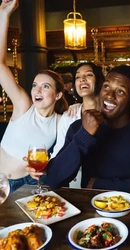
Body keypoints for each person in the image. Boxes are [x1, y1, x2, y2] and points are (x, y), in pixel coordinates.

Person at [45, 65, 130, 195]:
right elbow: (54, 180)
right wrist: (84, 135)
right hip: (92, 210)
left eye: (120, 91)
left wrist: (99, 184)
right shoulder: (79, 128)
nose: (109, 96)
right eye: (106, 87)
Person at [0, 0, 68, 193]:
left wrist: (46, 170)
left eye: (45, 86)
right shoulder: (24, 105)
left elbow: (60, 157)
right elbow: (0, 65)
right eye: (34, 85)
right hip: (1, 183)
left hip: (29, 185)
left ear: (58, 95)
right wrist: (4, 15)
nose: (37, 90)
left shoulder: (60, 122)